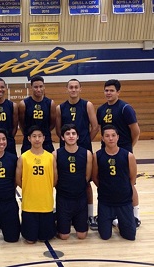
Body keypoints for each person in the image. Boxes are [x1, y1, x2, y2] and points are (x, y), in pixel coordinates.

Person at [96, 79, 141, 227]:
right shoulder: (101, 109)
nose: (108, 93)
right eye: (106, 90)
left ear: (118, 92)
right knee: (109, 182)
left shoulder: (125, 108)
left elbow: (136, 131)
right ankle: (112, 214)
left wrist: (127, 147)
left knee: (129, 183)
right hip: (106, 151)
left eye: (111, 90)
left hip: (122, 151)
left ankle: (135, 215)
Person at [56, 78, 99, 230]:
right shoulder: (60, 108)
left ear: (81, 89)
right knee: (64, 180)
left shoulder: (87, 105)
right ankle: (64, 212)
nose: (73, 90)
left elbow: (95, 127)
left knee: (86, 183)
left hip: (83, 148)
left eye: (76, 87)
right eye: (71, 87)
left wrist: (84, 142)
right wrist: (68, 142)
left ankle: (90, 215)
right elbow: (58, 129)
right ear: (66, 89)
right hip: (66, 150)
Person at [92, 125, 137, 241]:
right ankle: (108, 219)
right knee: (105, 236)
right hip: (105, 202)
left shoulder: (128, 156)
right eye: (107, 136)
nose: (110, 138)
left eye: (113, 135)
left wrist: (123, 189)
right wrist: (105, 189)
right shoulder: (97, 155)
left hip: (124, 201)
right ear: (102, 138)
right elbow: (95, 177)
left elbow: (132, 179)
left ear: (118, 137)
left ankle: (118, 222)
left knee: (130, 236)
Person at [16, 125, 57, 243]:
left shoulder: (50, 157)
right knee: (30, 240)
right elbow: (18, 179)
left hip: (46, 203)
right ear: (29, 139)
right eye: (34, 136)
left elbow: (55, 179)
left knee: (45, 238)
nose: (37, 139)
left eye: (39, 136)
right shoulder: (23, 157)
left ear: (44, 138)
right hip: (29, 204)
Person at [53, 124, 92, 240]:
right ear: (62, 137)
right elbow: (55, 178)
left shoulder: (87, 154)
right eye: (67, 134)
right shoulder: (56, 154)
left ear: (78, 137)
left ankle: (79, 220)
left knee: (82, 235)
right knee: (64, 236)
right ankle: (57, 219)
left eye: (73, 133)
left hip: (80, 198)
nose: (71, 136)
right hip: (63, 199)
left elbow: (87, 176)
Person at [18, 76, 56, 154]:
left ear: (44, 87)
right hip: (29, 140)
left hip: (46, 140)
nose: (38, 89)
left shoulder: (50, 103)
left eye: (41, 86)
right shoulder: (24, 104)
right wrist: (29, 133)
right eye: (35, 87)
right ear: (31, 87)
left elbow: (52, 123)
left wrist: (43, 132)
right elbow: (21, 123)